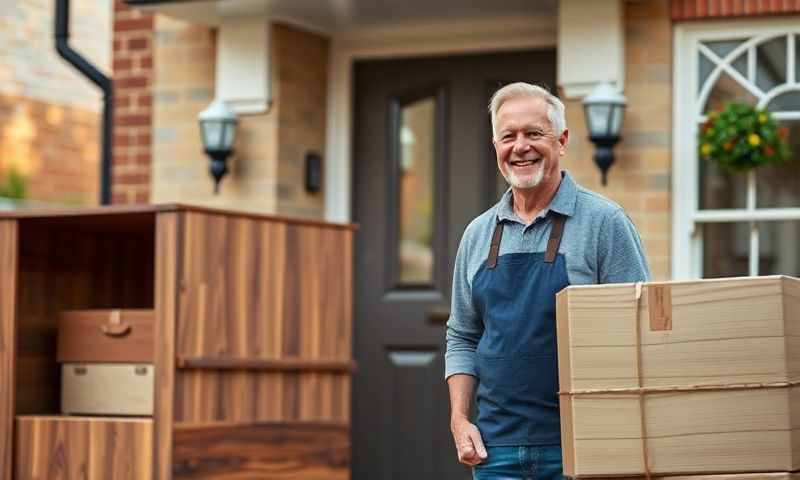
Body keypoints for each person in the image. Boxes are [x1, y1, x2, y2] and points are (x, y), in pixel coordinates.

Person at [445, 82, 651, 480]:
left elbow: (638, 331)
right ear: (496, 146)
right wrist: (459, 419)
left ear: (562, 140)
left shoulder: (603, 222)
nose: (520, 146)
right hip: (495, 451)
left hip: (582, 447)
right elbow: (462, 335)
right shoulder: (477, 234)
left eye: (534, 133)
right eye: (509, 136)